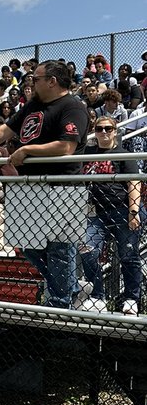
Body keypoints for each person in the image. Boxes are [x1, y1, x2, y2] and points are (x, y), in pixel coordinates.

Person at [0, 61, 88, 308]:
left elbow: (66, 146)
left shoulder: (73, 107)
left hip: (62, 187)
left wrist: (27, 150)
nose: (30, 83)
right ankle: (70, 289)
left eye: (35, 78)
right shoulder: (34, 105)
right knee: (26, 244)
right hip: (29, 186)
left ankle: (60, 301)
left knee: (59, 247)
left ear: (52, 81)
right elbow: (4, 130)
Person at [77, 116, 142, 315]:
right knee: (87, 251)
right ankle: (98, 296)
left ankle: (131, 298)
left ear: (115, 131)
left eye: (108, 129)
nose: (103, 132)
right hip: (96, 212)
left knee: (128, 256)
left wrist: (134, 212)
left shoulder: (123, 153)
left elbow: (134, 182)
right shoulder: (88, 152)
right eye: (99, 129)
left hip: (122, 209)